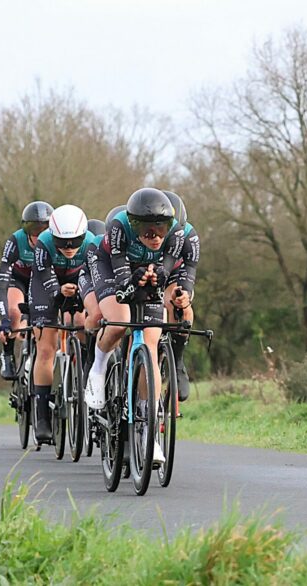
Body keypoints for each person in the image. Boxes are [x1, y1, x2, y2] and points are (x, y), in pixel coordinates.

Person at [85, 188, 188, 464]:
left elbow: (167, 274)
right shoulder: (119, 227)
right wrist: (135, 280)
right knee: (118, 324)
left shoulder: (178, 234)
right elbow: (122, 285)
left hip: (146, 271)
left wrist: (155, 281)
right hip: (111, 267)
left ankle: (149, 432)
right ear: (134, 225)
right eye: (146, 230)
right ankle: (97, 369)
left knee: (151, 345)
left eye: (160, 229)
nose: (154, 236)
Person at [29, 204, 93, 441]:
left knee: (82, 322)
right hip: (48, 285)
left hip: (79, 280)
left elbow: (96, 276)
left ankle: (87, 369)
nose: (69, 248)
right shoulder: (44, 242)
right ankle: (42, 414)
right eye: (63, 243)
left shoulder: (91, 243)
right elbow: (43, 275)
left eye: (75, 242)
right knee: (46, 347)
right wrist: (58, 290)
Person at [0, 201, 53, 379]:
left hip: (43, 280)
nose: (38, 235)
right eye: (34, 229)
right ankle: (7, 354)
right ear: (26, 229)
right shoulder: (16, 240)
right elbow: (2, 282)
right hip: (18, 280)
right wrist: (4, 320)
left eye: (44, 229)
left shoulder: (55, 241)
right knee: (14, 311)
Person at [161, 190, 200, 403]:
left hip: (175, 272)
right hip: (144, 269)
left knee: (179, 304)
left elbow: (189, 272)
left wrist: (183, 296)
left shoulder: (189, 236)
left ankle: (177, 361)